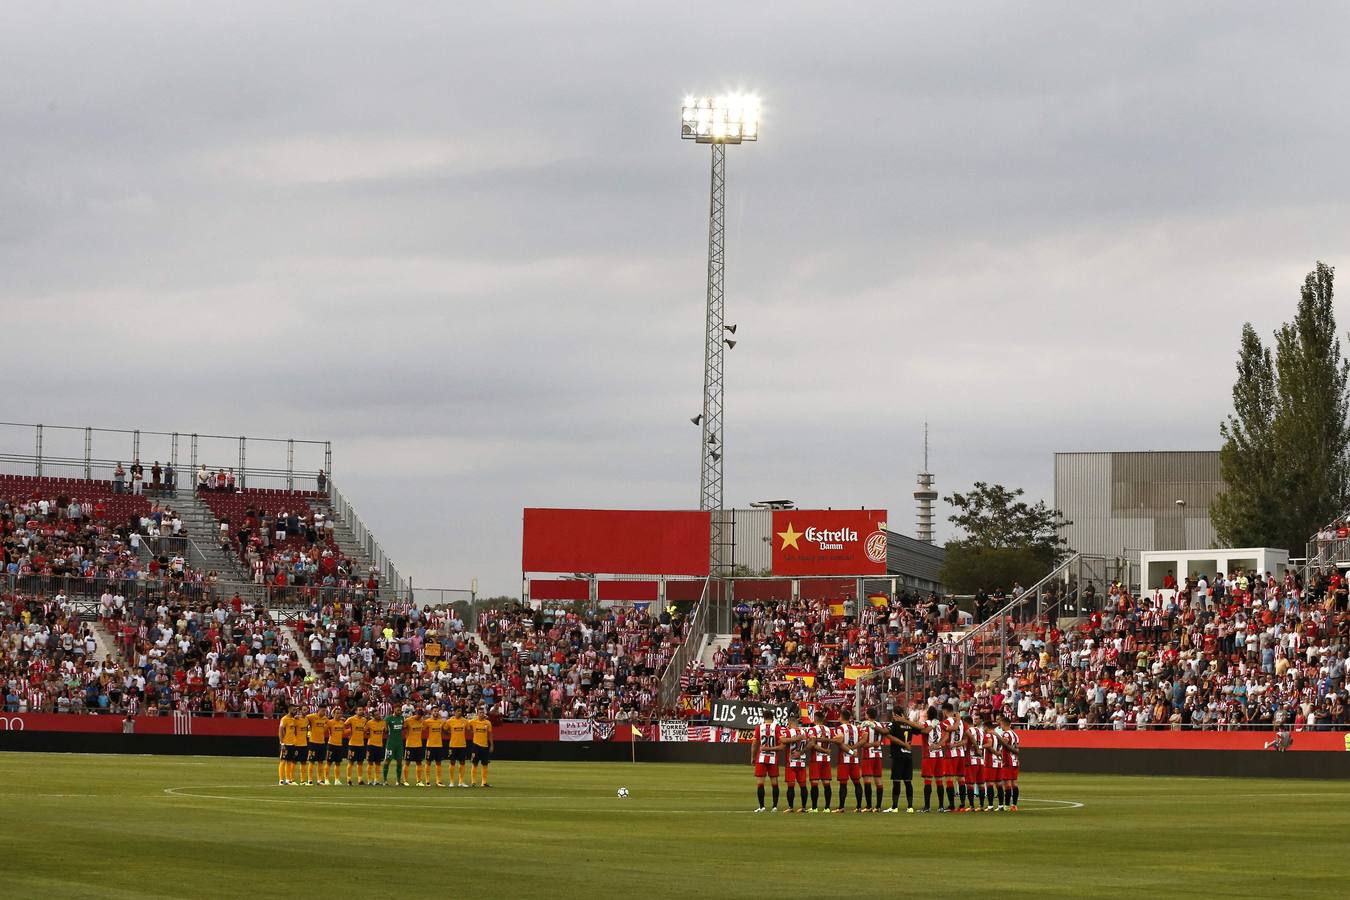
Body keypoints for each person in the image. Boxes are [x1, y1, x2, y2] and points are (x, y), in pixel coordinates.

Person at [885, 704, 923, 813]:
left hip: (898, 755)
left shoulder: (895, 724)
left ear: (894, 714)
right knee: (908, 782)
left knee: (896, 781)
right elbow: (919, 729)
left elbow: (888, 734)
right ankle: (910, 807)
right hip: (908, 755)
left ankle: (894, 807)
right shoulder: (909, 725)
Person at [751, 708, 785, 812]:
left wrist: (752, 757)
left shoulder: (758, 728)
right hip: (773, 758)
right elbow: (782, 745)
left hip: (761, 758)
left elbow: (754, 744)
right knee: (774, 783)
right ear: (773, 718)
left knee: (760, 783)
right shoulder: (777, 728)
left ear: (763, 718)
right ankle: (774, 807)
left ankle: (762, 807)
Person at [832, 707, 863, 813]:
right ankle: (859, 807)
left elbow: (839, 742)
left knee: (843, 784)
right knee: (857, 783)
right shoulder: (856, 728)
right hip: (854, 759)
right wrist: (853, 749)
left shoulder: (839, 728)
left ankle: (841, 807)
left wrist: (849, 750)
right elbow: (862, 740)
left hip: (844, 759)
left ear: (841, 717)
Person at [805, 710, 836, 813]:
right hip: (826, 759)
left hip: (816, 759)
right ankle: (827, 808)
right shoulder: (829, 730)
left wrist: (824, 750)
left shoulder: (812, 730)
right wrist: (827, 750)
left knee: (814, 783)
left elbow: (813, 745)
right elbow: (837, 740)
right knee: (826, 783)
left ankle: (814, 808)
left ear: (815, 719)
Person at [781, 710, 811, 813]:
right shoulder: (804, 732)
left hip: (791, 762)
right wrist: (802, 751)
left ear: (790, 723)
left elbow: (783, 740)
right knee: (803, 785)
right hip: (802, 761)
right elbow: (810, 744)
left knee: (791, 785)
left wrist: (795, 739)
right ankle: (803, 807)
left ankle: (790, 807)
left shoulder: (788, 732)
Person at [920, 706, 946, 812]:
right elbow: (946, 735)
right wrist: (939, 744)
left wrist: (931, 725)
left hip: (929, 755)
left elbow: (924, 731)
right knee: (939, 781)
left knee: (928, 781)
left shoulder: (927, 723)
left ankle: (927, 807)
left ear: (928, 714)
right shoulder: (940, 724)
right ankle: (941, 806)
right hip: (939, 754)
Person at [995, 713, 1020, 810]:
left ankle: (1006, 805)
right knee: (1014, 783)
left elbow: (1004, 744)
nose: (1000, 725)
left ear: (1004, 724)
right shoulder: (1015, 734)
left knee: (1007, 784)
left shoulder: (1006, 734)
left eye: (1000, 723)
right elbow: (1017, 748)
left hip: (1007, 761)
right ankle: (1014, 805)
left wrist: (996, 735)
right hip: (1014, 761)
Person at [381, 706, 406, 787]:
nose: (399, 711)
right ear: (394, 710)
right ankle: (385, 780)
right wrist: (385, 729)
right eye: (398, 710)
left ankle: (398, 781)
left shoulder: (402, 718)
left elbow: (404, 727)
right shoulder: (388, 718)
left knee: (399, 761)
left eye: (400, 710)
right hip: (391, 743)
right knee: (387, 760)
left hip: (399, 743)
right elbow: (384, 728)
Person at [469, 706, 494, 787]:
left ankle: (484, 782)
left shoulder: (488, 723)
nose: (481, 714)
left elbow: (490, 735)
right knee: (474, 763)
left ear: (484, 714)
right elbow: (466, 726)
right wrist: (471, 731)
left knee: (485, 764)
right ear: (477, 714)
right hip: (476, 745)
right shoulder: (472, 721)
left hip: (485, 746)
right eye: (480, 712)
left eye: (483, 712)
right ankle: (473, 782)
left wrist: (491, 746)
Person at [344, 707, 369, 785]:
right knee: (351, 762)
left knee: (360, 762)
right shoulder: (351, 719)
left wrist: (365, 732)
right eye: (359, 710)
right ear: (356, 711)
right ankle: (348, 779)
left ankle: (360, 779)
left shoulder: (364, 720)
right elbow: (344, 726)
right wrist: (348, 732)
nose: (361, 711)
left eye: (362, 710)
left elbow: (365, 730)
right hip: (353, 744)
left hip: (361, 744)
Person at [447, 707, 471, 787]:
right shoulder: (450, 721)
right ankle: (451, 782)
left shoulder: (465, 721)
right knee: (452, 762)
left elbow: (469, 730)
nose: (459, 712)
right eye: (458, 711)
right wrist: (449, 733)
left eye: (460, 711)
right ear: (454, 712)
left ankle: (461, 782)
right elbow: (444, 729)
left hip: (462, 745)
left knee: (462, 762)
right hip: (453, 745)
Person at [305, 705, 328, 785]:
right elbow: (305, 717)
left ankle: (319, 780)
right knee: (311, 761)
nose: (324, 712)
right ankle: (310, 780)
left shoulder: (325, 719)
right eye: (322, 710)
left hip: (321, 742)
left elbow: (329, 724)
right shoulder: (312, 717)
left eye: (325, 711)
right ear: (318, 710)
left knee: (320, 762)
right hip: (313, 742)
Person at [425, 709, 448, 787]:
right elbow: (423, 727)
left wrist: (443, 720)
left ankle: (439, 781)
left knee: (438, 763)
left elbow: (445, 729)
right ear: (431, 712)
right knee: (428, 762)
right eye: (434, 711)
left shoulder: (441, 721)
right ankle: (427, 781)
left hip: (439, 745)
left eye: (437, 711)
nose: (436, 712)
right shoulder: (427, 721)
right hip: (430, 745)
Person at [404, 706, 425, 786]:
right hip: (409, 744)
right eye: (418, 716)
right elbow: (404, 728)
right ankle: (405, 781)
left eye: (420, 716)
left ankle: (419, 781)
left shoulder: (422, 721)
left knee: (419, 762)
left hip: (418, 744)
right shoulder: (408, 720)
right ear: (415, 714)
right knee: (407, 762)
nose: (419, 717)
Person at [324, 706, 346, 784]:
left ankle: (337, 780)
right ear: (333, 714)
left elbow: (344, 733)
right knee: (329, 762)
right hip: (331, 744)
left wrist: (352, 730)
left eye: (340, 713)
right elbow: (324, 730)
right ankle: (326, 779)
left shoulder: (342, 723)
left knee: (338, 763)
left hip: (339, 745)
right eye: (337, 713)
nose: (338, 715)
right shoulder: (330, 722)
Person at [365, 713, 388, 785]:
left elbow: (386, 731)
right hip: (371, 745)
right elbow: (365, 730)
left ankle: (377, 780)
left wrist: (385, 729)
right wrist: (368, 734)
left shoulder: (383, 722)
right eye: (377, 715)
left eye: (379, 714)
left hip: (379, 745)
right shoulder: (369, 723)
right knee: (370, 762)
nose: (379, 716)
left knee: (378, 763)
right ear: (373, 716)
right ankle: (369, 780)